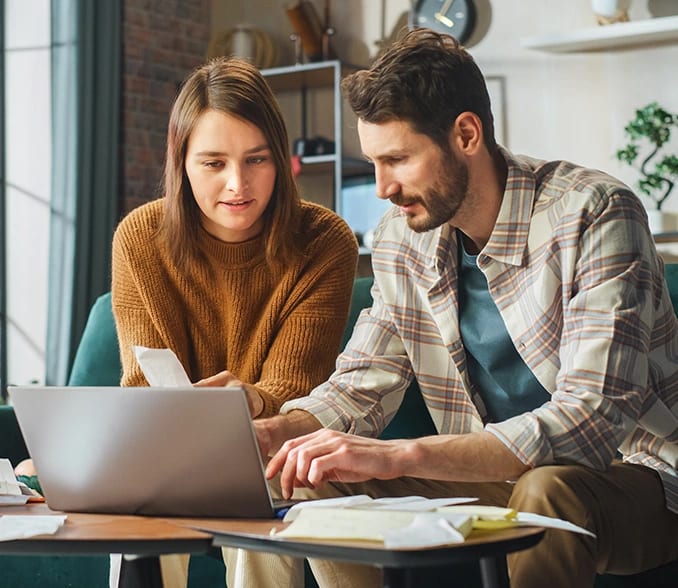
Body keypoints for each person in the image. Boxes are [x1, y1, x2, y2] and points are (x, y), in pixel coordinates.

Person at [227, 28, 678, 588]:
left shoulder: (595, 214)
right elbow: (362, 382)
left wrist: (399, 456)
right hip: (487, 482)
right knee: (305, 473)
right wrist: (279, 432)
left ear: (467, 133)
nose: (382, 187)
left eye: (398, 159)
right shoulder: (401, 238)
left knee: (548, 489)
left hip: (637, 479)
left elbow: (590, 422)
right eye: (373, 162)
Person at [111, 56, 358, 587]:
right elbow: (144, 384)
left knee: (260, 481)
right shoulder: (140, 238)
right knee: (142, 488)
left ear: (282, 160)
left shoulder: (325, 241)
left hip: (271, 447)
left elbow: (299, 387)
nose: (237, 184)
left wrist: (249, 399)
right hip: (168, 451)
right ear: (181, 162)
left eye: (256, 159)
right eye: (213, 163)